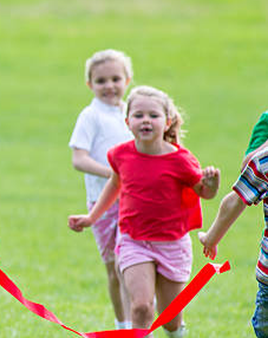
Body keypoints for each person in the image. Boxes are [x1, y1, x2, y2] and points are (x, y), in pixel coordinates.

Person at [68, 85, 220, 338]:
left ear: (167, 122)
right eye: (138, 115)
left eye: (153, 115)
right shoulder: (121, 155)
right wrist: (91, 217)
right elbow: (115, 185)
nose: (145, 120)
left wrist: (211, 185)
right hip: (133, 240)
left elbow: (204, 193)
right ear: (128, 122)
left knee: (170, 320)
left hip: (172, 244)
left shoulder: (181, 160)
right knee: (140, 307)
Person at [68, 49, 133, 329]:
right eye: (101, 81)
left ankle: (139, 323)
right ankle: (123, 325)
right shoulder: (90, 116)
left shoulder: (133, 113)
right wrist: (114, 174)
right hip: (102, 202)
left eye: (115, 79)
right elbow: (79, 159)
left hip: (134, 200)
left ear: (127, 80)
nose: (109, 86)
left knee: (130, 263)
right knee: (114, 268)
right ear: (90, 84)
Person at [199, 153, 268, 337]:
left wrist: (210, 238)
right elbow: (235, 201)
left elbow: (234, 201)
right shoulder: (264, 161)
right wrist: (211, 238)